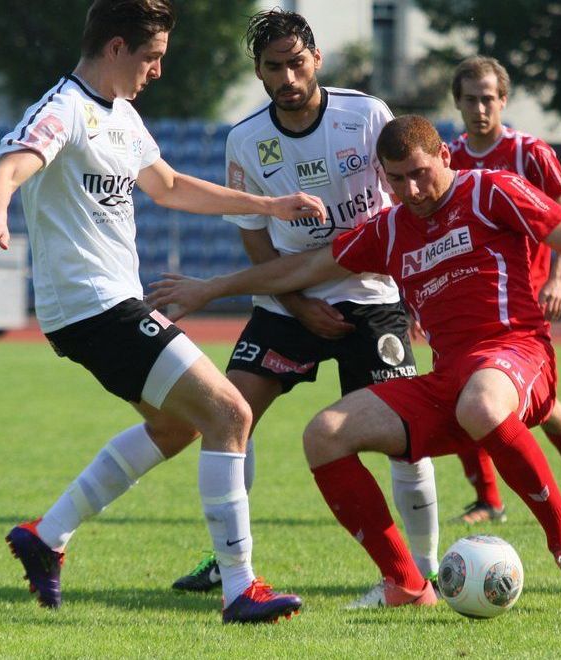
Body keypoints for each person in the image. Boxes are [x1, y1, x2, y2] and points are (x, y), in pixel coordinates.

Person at [146, 115, 561, 613]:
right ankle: (406, 582)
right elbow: (299, 268)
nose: (412, 189)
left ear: (445, 157)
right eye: (396, 178)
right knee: (324, 434)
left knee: (480, 402)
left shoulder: (492, 191)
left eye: (421, 172)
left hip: (516, 351)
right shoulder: (387, 229)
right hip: (450, 378)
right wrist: (209, 289)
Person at [0, 0, 326, 624]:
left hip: (108, 305)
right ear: (117, 48)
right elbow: (12, 164)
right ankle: (239, 588)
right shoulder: (63, 108)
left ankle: (46, 537)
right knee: (230, 410)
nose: (156, 71)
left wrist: (273, 204)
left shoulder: (122, 116)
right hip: (93, 307)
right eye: (151, 57)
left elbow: (171, 187)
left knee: (181, 426)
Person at [168, 8, 441, 609]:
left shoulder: (366, 115)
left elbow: (406, 200)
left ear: (316, 59)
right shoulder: (244, 140)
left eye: (297, 62)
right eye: (275, 67)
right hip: (287, 301)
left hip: (371, 299)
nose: (289, 76)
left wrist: (415, 289)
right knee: (227, 413)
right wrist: (295, 302)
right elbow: (254, 236)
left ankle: (425, 571)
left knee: (404, 439)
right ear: (260, 74)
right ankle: (230, 562)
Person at [446, 56, 561, 526]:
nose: (480, 108)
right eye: (471, 99)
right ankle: (487, 498)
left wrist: (559, 279)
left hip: (521, 305)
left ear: (503, 100)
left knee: (542, 410)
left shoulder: (530, 153)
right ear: (457, 102)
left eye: (489, 99)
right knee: (461, 399)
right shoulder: (447, 160)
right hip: (465, 303)